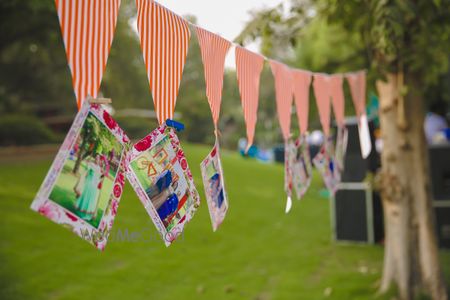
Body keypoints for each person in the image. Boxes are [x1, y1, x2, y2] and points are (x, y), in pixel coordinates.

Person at [75, 155, 102, 221]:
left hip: (94, 185)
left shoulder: (99, 168)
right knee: (85, 196)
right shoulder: (91, 164)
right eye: (96, 158)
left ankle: (87, 213)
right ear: (94, 159)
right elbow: (86, 171)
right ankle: (81, 211)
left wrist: (100, 180)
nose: (97, 160)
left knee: (91, 199)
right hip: (88, 183)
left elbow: (98, 177)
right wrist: (88, 164)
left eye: (98, 159)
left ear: (99, 160)